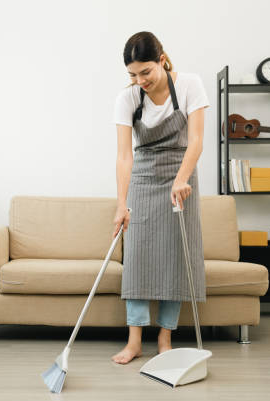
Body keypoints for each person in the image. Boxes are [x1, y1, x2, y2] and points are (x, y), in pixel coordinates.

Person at [110, 32, 209, 364]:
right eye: (133, 75)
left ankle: (165, 337)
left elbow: (196, 140)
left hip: (181, 174)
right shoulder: (127, 98)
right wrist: (121, 202)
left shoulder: (190, 84)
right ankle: (134, 340)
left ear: (162, 60)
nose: (140, 81)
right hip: (144, 177)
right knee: (137, 256)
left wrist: (181, 179)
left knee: (175, 256)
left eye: (146, 72)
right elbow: (125, 156)